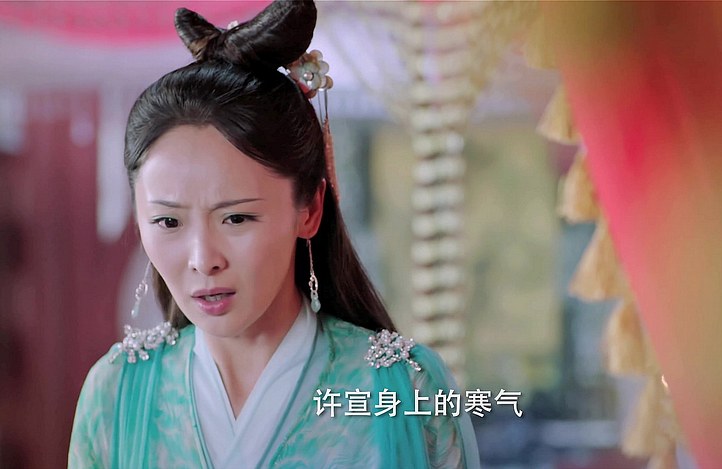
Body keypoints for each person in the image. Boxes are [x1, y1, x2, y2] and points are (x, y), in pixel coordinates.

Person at [67, 1, 479, 467]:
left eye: (236, 218)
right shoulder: (116, 393)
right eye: (168, 222)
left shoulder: (405, 388)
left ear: (310, 209)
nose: (203, 259)